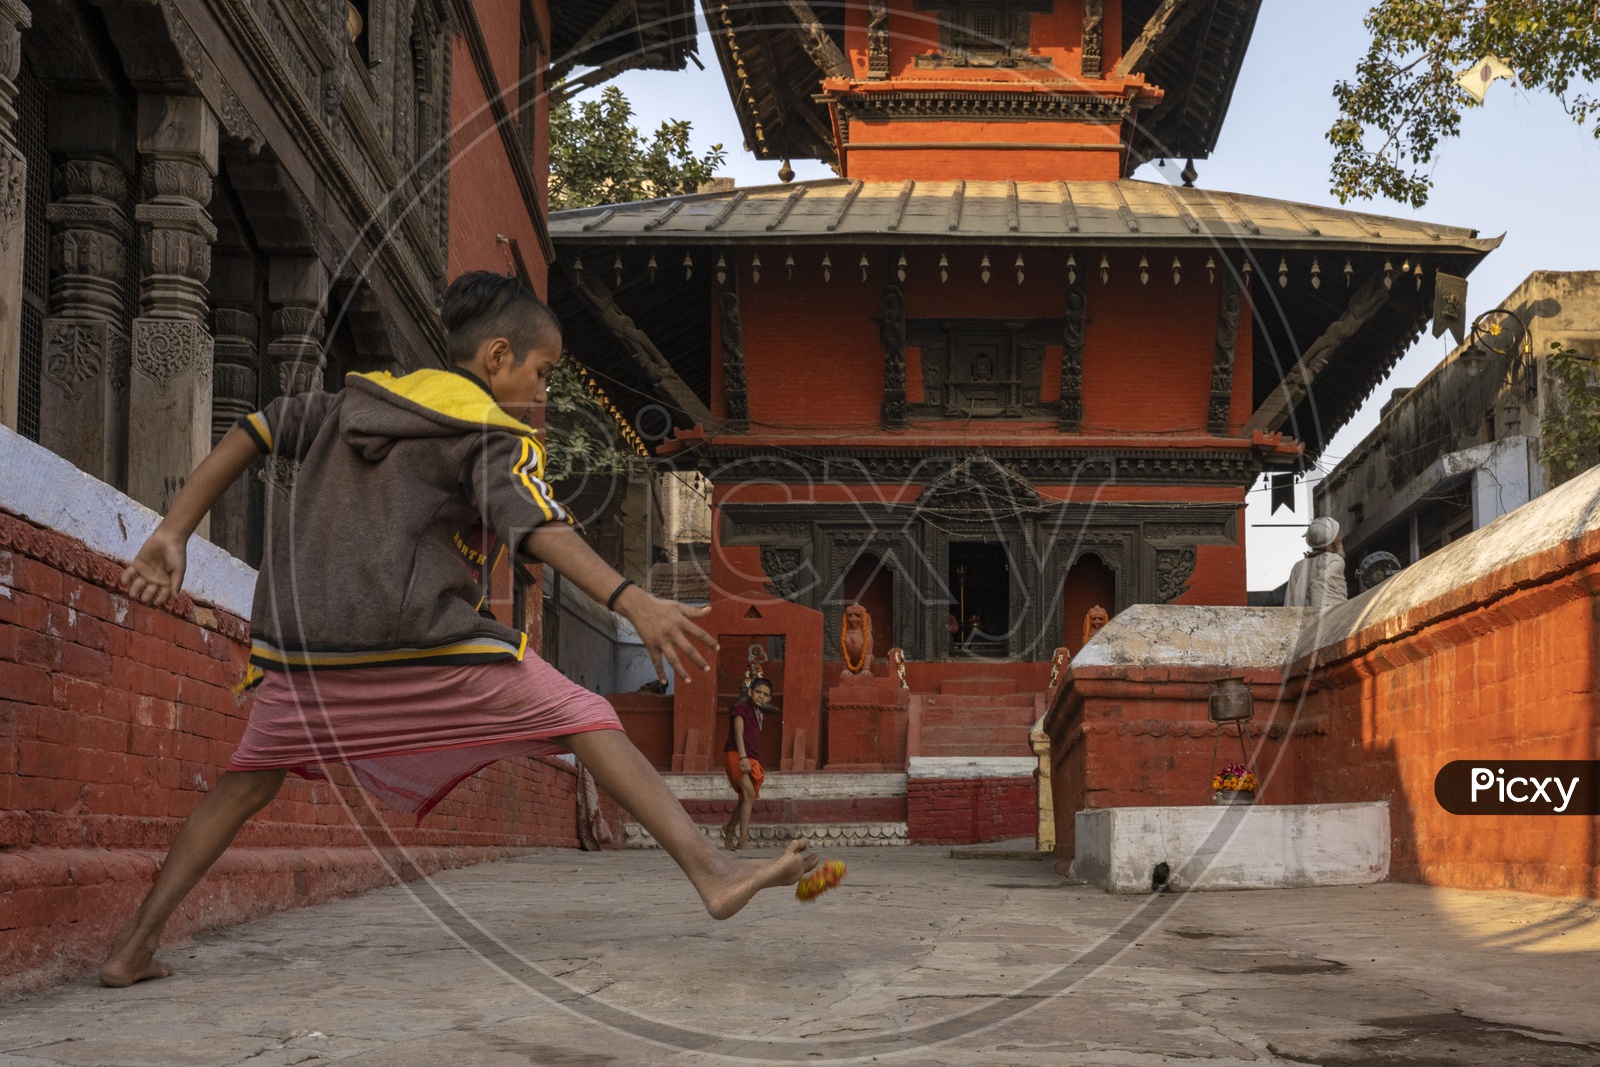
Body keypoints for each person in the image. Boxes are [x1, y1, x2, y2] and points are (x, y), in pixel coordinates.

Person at [100, 272, 817, 988]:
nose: (541, 395)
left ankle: (133, 945)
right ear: (498, 358)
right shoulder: (489, 434)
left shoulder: (358, 401)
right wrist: (631, 597)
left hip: (302, 657)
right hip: (416, 644)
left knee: (243, 786)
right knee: (585, 713)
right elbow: (536, 527)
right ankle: (714, 869)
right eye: (542, 374)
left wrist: (173, 530)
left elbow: (256, 428)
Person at [721, 677, 772, 851]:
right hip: (736, 754)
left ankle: (729, 828)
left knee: (745, 797)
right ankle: (742, 840)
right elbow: (738, 733)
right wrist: (743, 758)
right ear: (750, 692)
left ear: (769, 699)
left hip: (750, 757)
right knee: (749, 794)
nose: (761, 696)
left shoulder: (759, 713)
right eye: (758, 692)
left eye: (765, 695)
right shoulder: (741, 708)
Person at [1285, 516, 1349, 611]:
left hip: (1299, 623)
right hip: (1325, 621)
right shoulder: (1334, 560)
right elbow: (1319, 594)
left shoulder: (1298, 566)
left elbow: (1290, 604)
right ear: (1335, 541)